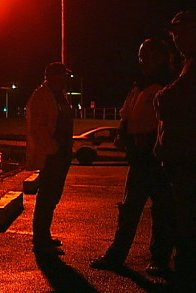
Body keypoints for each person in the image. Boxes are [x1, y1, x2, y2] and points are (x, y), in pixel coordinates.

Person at [90, 38, 174, 276]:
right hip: (139, 156)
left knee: (161, 210)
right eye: (140, 56)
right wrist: (123, 132)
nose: (143, 61)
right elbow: (127, 113)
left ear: (162, 58)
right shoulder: (140, 85)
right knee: (130, 208)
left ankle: (159, 259)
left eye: (148, 56)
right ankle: (117, 255)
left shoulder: (167, 84)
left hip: (156, 156)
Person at [154, 10, 196, 290]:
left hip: (185, 156)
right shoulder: (185, 64)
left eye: (182, 32)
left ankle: (185, 273)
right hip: (178, 154)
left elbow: (171, 99)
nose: (178, 39)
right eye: (174, 34)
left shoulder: (191, 67)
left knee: (185, 215)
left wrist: (160, 96)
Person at [26, 62, 73, 255]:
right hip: (52, 155)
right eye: (63, 76)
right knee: (47, 196)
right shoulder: (41, 96)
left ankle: (45, 236)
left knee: (53, 196)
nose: (66, 80)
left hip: (62, 153)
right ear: (52, 76)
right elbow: (37, 127)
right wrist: (52, 149)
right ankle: (41, 239)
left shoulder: (60, 96)